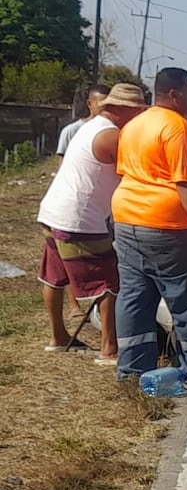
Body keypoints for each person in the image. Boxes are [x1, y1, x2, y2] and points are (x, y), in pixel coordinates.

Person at [111, 68, 187, 384]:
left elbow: (129, 172)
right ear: (174, 94)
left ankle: (133, 370)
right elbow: (186, 185)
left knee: (134, 297)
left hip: (127, 219)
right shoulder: (177, 129)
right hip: (169, 226)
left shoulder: (134, 125)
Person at [36, 83, 147, 364]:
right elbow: (136, 171)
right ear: (122, 110)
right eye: (137, 111)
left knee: (54, 275)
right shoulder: (111, 136)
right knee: (108, 282)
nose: (139, 117)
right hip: (80, 219)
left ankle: (58, 337)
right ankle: (109, 350)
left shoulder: (91, 126)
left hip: (55, 211)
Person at [56, 84, 111, 164]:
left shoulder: (111, 131)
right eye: (101, 104)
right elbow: (62, 157)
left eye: (109, 104)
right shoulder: (71, 130)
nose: (105, 108)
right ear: (89, 103)